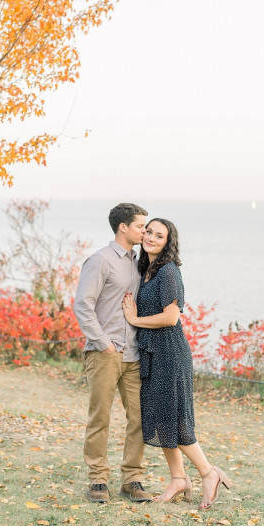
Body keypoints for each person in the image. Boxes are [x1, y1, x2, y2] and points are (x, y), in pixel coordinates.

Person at [122, 218, 232, 510]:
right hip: (151, 352)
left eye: (160, 235)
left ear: (168, 242)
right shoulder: (145, 269)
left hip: (169, 352)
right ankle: (178, 478)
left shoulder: (169, 272)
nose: (152, 238)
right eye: (149, 232)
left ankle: (209, 473)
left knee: (177, 421)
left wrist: (134, 320)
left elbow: (171, 317)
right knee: (161, 420)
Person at [73, 203, 154, 504]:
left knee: (139, 418)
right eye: (140, 226)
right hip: (105, 353)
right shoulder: (100, 261)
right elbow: (83, 305)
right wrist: (104, 342)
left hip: (133, 354)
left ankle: (132, 479)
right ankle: (98, 480)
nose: (144, 231)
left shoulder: (139, 262)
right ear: (123, 227)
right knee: (100, 418)